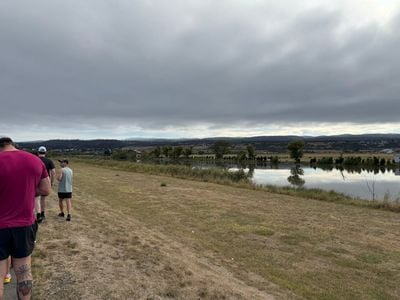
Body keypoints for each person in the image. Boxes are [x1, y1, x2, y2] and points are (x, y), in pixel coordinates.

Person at [0, 137, 51, 300]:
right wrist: (27, 191)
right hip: (24, 224)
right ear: (13, 145)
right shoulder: (34, 160)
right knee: (24, 273)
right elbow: (46, 189)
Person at [34, 146, 55, 223]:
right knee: (42, 199)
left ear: (38, 152)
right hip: (45, 181)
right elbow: (53, 172)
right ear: (45, 152)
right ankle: (42, 214)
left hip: (36, 181)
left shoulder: (35, 159)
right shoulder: (49, 161)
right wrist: (51, 182)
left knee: (36, 198)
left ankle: (37, 214)